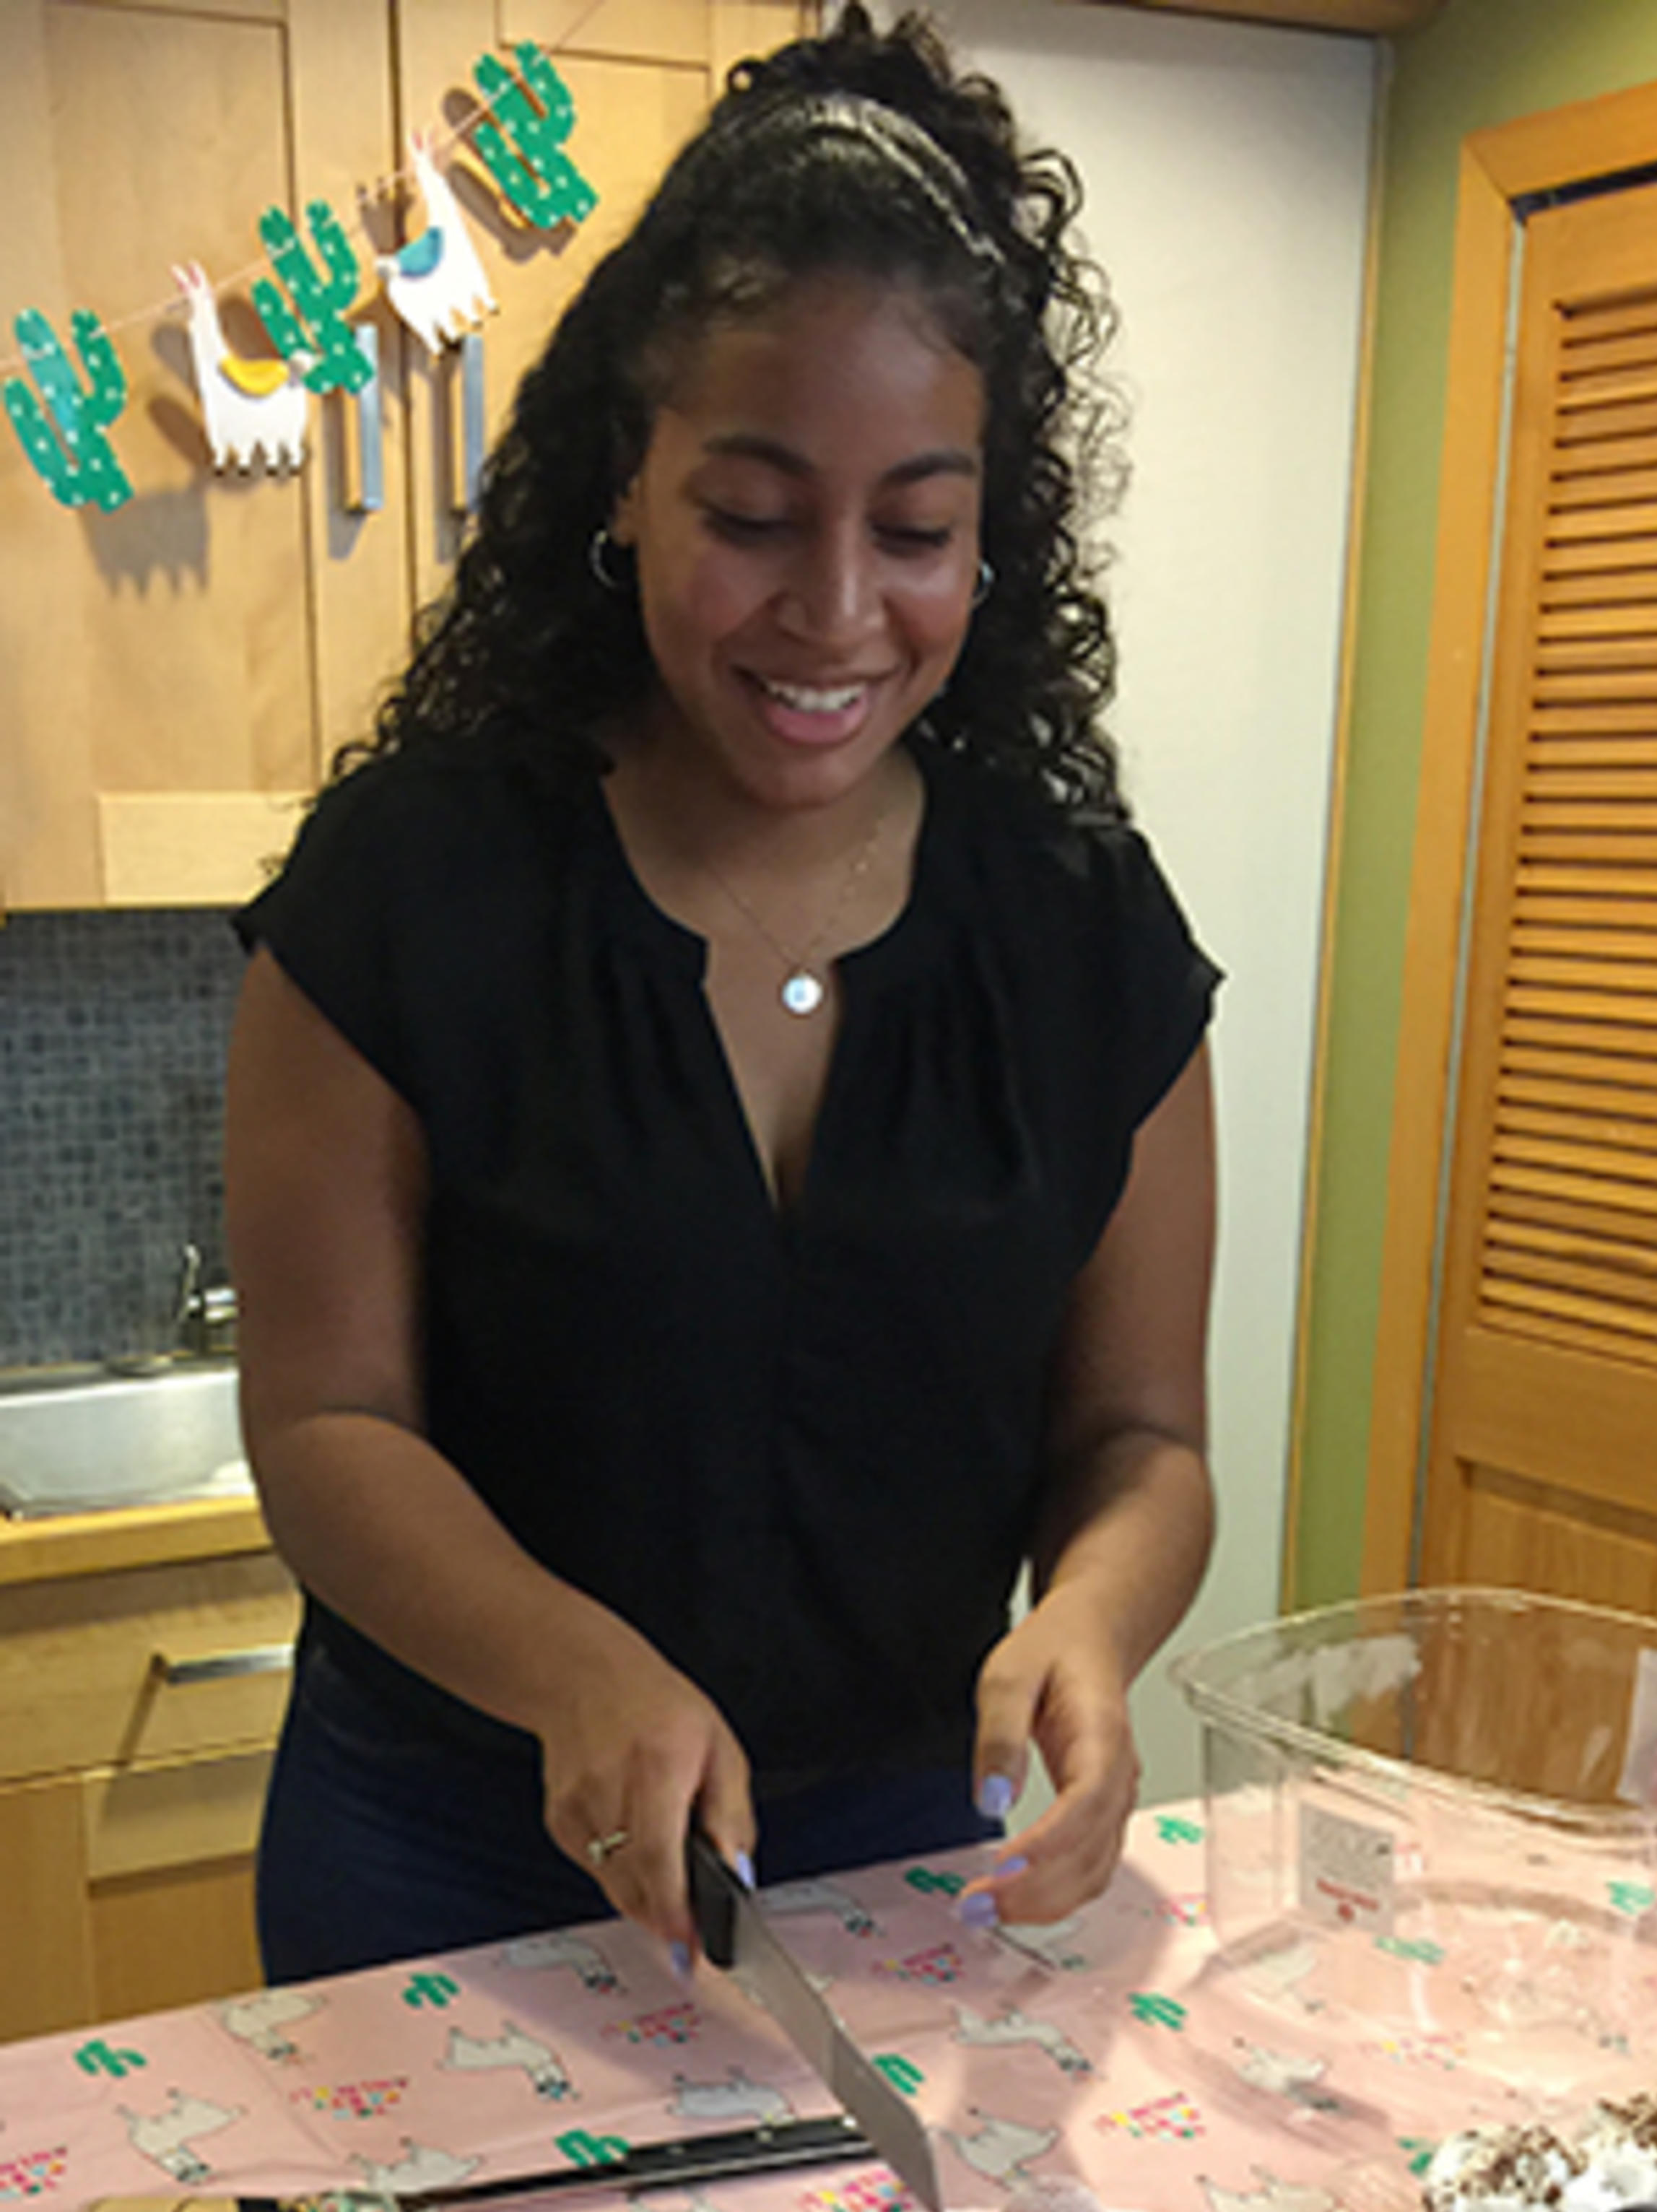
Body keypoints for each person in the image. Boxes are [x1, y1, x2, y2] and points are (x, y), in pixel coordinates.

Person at [225, 3, 1220, 1987]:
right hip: (449, 1848)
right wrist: (571, 1662)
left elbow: (1142, 1436)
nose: (839, 611)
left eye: (917, 528)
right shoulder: (411, 890)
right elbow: (327, 1419)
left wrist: (1092, 1623)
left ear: (987, 529)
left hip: (893, 1867)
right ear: (629, 483)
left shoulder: (1084, 927)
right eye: (755, 517)